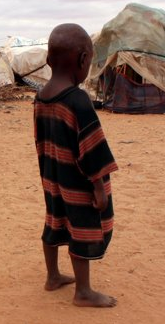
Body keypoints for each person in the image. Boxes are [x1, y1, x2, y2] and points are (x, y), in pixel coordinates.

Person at [34, 23, 118, 308]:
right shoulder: (78, 100)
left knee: (54, 220)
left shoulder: (41, 97)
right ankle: (83, 291)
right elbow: (92, 148)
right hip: (78, 181)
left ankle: (53, 276)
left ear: (48, 59)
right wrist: (98, 187)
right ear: (83, 59)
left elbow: (42, 139)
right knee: (83, 227)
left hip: (53, 176)